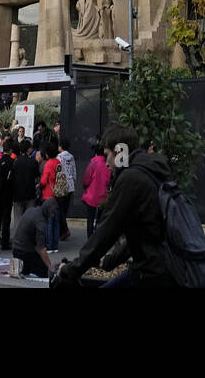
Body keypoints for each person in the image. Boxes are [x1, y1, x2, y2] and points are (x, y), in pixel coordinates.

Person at [55, 123, 175, 289]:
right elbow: (141, 233)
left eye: (107, 155)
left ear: (119, 152)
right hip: (160, 267)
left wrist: (71, 269)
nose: (106, 163)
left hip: (152, 274)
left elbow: (106, 231)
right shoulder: (150, 170)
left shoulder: (130, 178)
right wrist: (109, 262)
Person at [12, 198, 56, 279]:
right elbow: (41, 248)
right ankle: (26, 267)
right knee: (46, 272)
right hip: (24, 252)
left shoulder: (31, 210)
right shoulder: (41, 222)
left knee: (29, 267)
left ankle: (24, 268)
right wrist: (50, 267)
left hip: (16, 250)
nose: (52, 216)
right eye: (52, 213)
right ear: (48, 211)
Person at [81, 140, 110, 237]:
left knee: (90, 219)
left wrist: (85, 187)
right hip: (104, 197)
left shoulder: (93, 164)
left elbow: (86, 180)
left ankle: (90, 240)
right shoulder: (108, 164)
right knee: (101, 220)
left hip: (92, 196)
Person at [38, 134, 62, 253]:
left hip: (47, 195)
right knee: (56, 221)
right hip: (57, 194)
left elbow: (43, 181)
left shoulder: (48, 164)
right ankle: (55, 245)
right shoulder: (58, 163)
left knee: (48, 222)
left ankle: (49, 245)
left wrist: (39, 186)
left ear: (47, 154)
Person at [0, 136, 17, 250]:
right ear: (11, 150)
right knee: (6, 218)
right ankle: (5, 241)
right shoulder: (13, 162)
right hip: (8, 193)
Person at [11, 139, 40, 221]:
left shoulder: (15, 162)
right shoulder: (33, 162)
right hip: (30, 194)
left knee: (18, 220)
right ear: (28, 149)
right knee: (29, 220)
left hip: (18, 194)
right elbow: (37, 176)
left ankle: (19, 234)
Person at [57, 137, 76, 242]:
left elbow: (58, 170)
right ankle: (63, 231)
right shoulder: (71, 157)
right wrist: (74, 181)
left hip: (62, 185)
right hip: (70, 184)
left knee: (60, 209)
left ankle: (64, 230)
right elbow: (74, 170)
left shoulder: (59, 157)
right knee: (65, 209)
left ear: (60, 147)